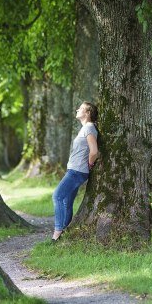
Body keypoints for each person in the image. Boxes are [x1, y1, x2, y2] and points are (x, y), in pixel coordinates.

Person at [51, 101, 99, 241]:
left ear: (88, 113)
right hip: (75, 169)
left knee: (57, 196)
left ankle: (57, 232)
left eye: (81, 108)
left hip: (77, 171)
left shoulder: (89, 128)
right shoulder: (85, 128)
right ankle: (64, 230)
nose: (77, 109)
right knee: (67, 202)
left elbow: (94, 151)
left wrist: (90, 164)